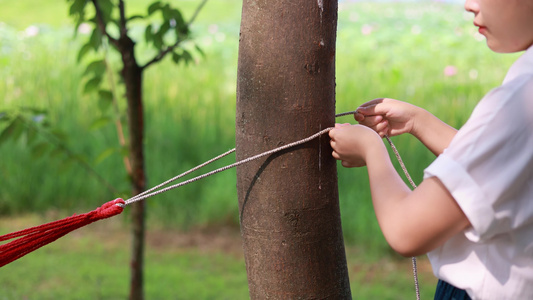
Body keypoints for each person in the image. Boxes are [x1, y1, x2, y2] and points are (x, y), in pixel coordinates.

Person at [329, 0, 533, 299]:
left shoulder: (520, 104)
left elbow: (407, 230)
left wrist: (370, 149)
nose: (469, 5)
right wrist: (419, 122)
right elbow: (507, 169)